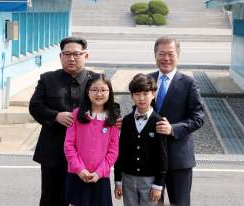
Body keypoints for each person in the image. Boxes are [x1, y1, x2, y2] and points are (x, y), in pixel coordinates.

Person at [29, 36, 95, 206]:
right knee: (52, 198)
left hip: (86, 154)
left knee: (84, 198)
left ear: (85, 56)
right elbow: (35, 106)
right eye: (67, 54)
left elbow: (112, 108)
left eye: (76, 54)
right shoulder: (47, 79)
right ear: (60, 56)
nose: (71, 58)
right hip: (53, 152)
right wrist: (55, 116)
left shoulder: (96, 80)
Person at [149, 36, 204, 206]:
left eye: (170, 54)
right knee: (151, 203)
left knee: (179, 203)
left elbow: (198, 117)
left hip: (178, 157)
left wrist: (172, 129)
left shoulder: (189, 83)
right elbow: (138, 112)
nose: (166, 58)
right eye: (161, 54)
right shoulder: (146, 80)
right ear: (155, 55)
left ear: (178, 55)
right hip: (150, 156)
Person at [64, 73, 120, 206]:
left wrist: (99, 173)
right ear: (87, 92)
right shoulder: (77, 114)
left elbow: (113, 151)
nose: (98, 94)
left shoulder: (113, 119)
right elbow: (69, 145)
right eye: (94, 90)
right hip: (77, 175)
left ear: (109, 93)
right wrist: (80, 170)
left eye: (103, 90)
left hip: (100, 178)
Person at [114, 73, 168, 206]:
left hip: (150, 180)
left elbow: (163, 155)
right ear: (132, 96)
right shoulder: (126, 121)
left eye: (145, 93)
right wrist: (118, 180)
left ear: (153, 94)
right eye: (137, 94)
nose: (141, 98)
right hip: (128, 178)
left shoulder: (159, 121)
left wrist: (159, 184)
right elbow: (121, 152)